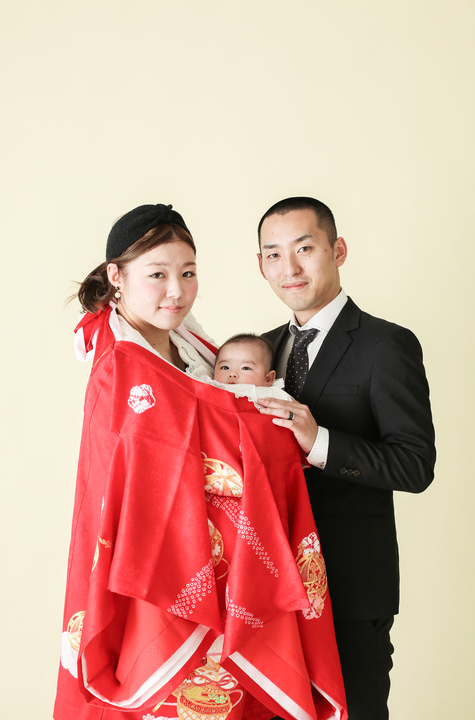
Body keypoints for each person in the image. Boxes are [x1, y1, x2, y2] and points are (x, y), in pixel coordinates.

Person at [54, 203, 348, 720]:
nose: (176, 291)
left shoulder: (192, 346)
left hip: (229, 569)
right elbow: (146, 475)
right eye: (157, 275)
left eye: (188, 273)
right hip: (167, 576)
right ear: (116, 277)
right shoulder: (122, 364)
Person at [256, 196, 436, 720]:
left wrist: (320, 443)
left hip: (351, 592)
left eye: (304, 248)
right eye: (273, 254)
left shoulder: (387, 345)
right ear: (261, 265)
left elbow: (414, 465)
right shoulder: (259, 352)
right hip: (270, 589)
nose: (289, 268)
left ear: (338, 250)